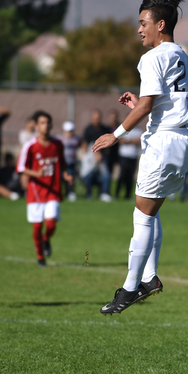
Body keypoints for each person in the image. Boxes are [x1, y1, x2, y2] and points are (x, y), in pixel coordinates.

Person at [93, 0, 188, 315]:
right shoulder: (182, 55)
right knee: (151, 213)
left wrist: (116, 133)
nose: (139, 29)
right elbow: (160, 103)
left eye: (143, 23)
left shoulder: (151, 57)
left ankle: (128, 289)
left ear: (160, 24)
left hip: (164, 142)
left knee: (142, 216)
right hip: (183, 141)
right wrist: (137, 107)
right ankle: (150, 278)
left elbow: (148, 104)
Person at [16, 111, 72, 267]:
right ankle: (40, 256)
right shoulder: (30, 146)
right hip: (36, 192)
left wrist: (66, 175)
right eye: (42, 123)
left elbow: (63, 163)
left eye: (47, 123)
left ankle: (46, 239)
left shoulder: (57, 144)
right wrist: (35, 173)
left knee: (51, 224)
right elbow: (21, 167)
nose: (45, 126)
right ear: (36, 126)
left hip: (53, 191)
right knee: (37, 227)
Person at [81, 109, 112, 202]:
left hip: (102, 158)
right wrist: (89, 156)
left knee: (106, 176)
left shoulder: (105, 129)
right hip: (91, 158)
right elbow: (85, 143)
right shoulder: (88, 129)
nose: (97, 120)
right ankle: (88, 194)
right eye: (95, 118)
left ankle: (104, 193)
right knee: (88, 175)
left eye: (98, 118)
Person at [115, 126, 142, 200]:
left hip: (133, 156)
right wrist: (132, 141)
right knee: (122, 175)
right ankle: (116, 194)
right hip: (124, 155)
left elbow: (139, 140)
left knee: (130, 176)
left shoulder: (139, 130)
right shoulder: (123, 128)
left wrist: (128, 141)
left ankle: (128, 195)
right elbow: (120, 140)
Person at [58, 121, 81, 202]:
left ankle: (70, 192)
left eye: (71, 131)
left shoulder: (76, 139)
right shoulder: (59, 139)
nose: (69, 133)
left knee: (71, 178)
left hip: (71, 162)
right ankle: (60, 192)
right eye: (68, 131)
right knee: (60, 178)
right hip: (62, 162)